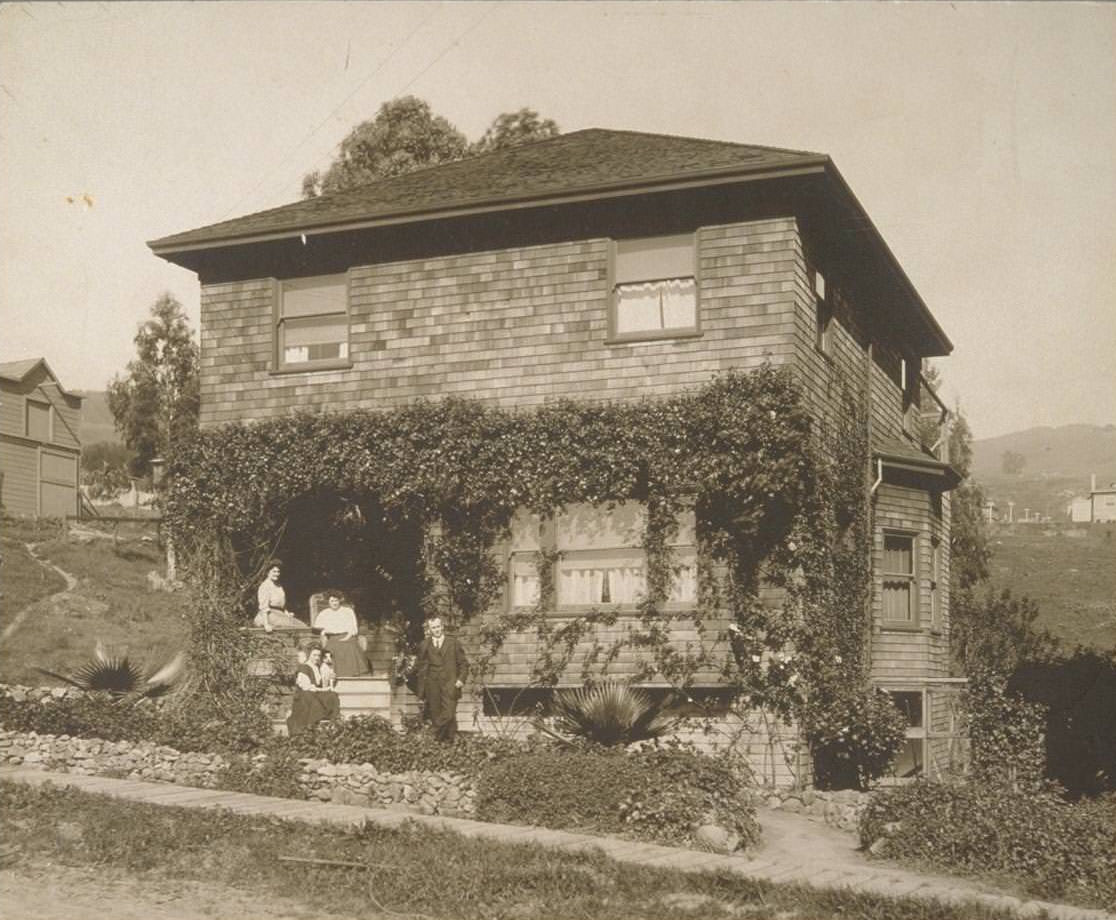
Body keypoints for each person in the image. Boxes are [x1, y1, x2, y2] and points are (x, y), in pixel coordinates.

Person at [414, 617, 468, 742]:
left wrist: (461, 679)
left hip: (451, 684)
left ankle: (432, 733)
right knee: (436, 715)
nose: (436, 630)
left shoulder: (453, 643)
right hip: (432, 685)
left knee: (449, 714)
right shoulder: (424, 645)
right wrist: (421, 691)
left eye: (438, 627)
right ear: (430, 629)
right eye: (433, 628)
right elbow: (421, 668)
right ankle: (443, 746)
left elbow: (464, 664)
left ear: (442, 626)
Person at [286, 645, 340, 736]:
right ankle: (307, 728)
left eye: (318, 656)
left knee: (332, 695)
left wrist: (331, 678)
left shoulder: (318, 667)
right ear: (309, 655)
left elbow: (321, 684)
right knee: (312, 700)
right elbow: (306, 687)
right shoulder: (304, 667)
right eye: (314, 655)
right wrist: (325, 689)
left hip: (314, 692)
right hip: (304, 695)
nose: (317, 658)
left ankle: (331, 721)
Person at [314, 591, 371, 677]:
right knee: (332, 649)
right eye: (332, 601)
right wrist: (324, 633)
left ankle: (353, 674)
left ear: (339, 601)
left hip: (348, 637)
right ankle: (334, 674)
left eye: (336, 601)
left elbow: (353, 628)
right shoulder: (324, 613)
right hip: (332, 638)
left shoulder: (348, 611)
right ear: (328, 602)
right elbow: (318, 628)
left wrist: (347, 637)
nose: (334, 603)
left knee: (351, 646)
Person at [254, 560, 309, 632]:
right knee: (298, 627)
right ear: (268, 572)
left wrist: (287, 613)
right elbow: (264, 607)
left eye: (278, 572)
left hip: (279, 614)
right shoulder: (265, 586)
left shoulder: (279, 586)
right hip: (269, 615)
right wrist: (266, 624)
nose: (277, 574)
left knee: (303, 625)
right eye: (274, 571)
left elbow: (282, 606)